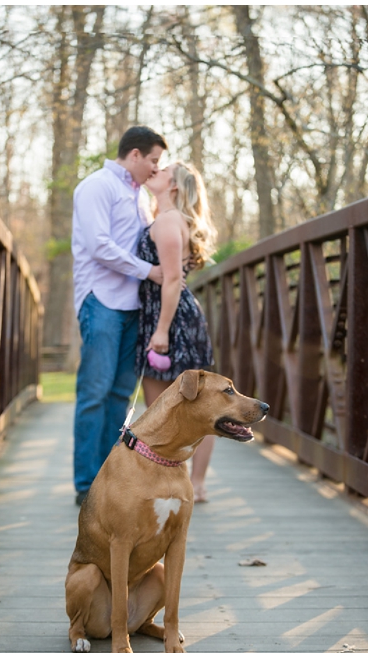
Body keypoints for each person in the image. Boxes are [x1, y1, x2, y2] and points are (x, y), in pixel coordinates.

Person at [71, 126, 167, 505]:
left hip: (134, 307)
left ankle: (109, 478)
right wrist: (150, 272)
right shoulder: (96, 186)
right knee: (94, 393)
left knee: (120, 396)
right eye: (154, 160)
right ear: (135, 155)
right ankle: (85, 485)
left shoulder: (140, 195)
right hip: (103, 300)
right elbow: (98, 246)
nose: (156, 169)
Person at [137, 161, 218, 502]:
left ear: (174, 186)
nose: (155, 169)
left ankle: (194, 483)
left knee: (179, 407)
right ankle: (188, 483)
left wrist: (162, 332)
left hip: (172, 322)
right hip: (172, 318)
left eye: (163, 169)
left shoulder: (169, 221)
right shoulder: (166, 218)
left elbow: (172, 280)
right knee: (186, 407)